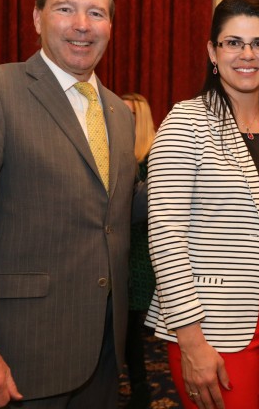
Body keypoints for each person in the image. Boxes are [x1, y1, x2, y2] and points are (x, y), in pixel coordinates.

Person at [0, 0, 146, 408]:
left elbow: (117, 208)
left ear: (111, 26)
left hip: (100, 357)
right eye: (66, 9)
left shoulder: (119, 113)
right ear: (38, 18)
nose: (82, 25)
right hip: (15, 360)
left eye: (96, 13)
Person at [145, 0, 259, 409]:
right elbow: (165, 235)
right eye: (232, 42)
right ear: (212, 52)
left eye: (258, 43)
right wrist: (190, 339)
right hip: (211, 321)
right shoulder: (186, 120)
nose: (247, 54)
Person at [121, 93, 156, 408]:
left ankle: (141, 387)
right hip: (119, 250)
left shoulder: (151, 157)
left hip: (140, 253)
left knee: (130, 325)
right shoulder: (118, 152)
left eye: (129, 113)